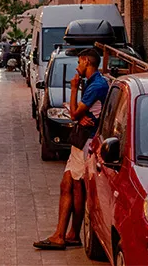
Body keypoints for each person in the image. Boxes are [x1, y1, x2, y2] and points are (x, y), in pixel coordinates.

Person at [35, 48, 109, 251]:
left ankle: (64, 235)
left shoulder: (96, 85)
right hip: (81, 140)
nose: (77, 66)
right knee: (69, 185)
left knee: (74, 186)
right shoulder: (95, 83)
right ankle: (69, 234)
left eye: (79, 62)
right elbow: (79, 112)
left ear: (86, 61)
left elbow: (76, 113)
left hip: (85, 142)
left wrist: (74, 89)